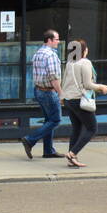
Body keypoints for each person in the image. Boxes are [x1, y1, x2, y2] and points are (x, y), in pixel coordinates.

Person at [62, 40, 107, 168]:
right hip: (79, 100)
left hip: (69, 100)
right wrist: (101, 87)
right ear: (84, 50)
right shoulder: (85, 62)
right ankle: (72, 153)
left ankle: (72, 158)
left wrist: (62, 97)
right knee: (92, 128)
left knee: (76, 128)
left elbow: (64, 82)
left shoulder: (70, 63)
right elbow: (88, 85)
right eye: (86, 48)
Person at [21, 29, 64, 159]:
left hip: (38, 90)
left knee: (48, 120)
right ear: (50, 40)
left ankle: (48, 151)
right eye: (56, 39)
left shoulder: (38, 53)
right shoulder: (50, 55)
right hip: (48, 92)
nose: (58, 41)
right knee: (56, 120)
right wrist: (61, 93)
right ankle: (30, 140)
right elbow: (54, 77)